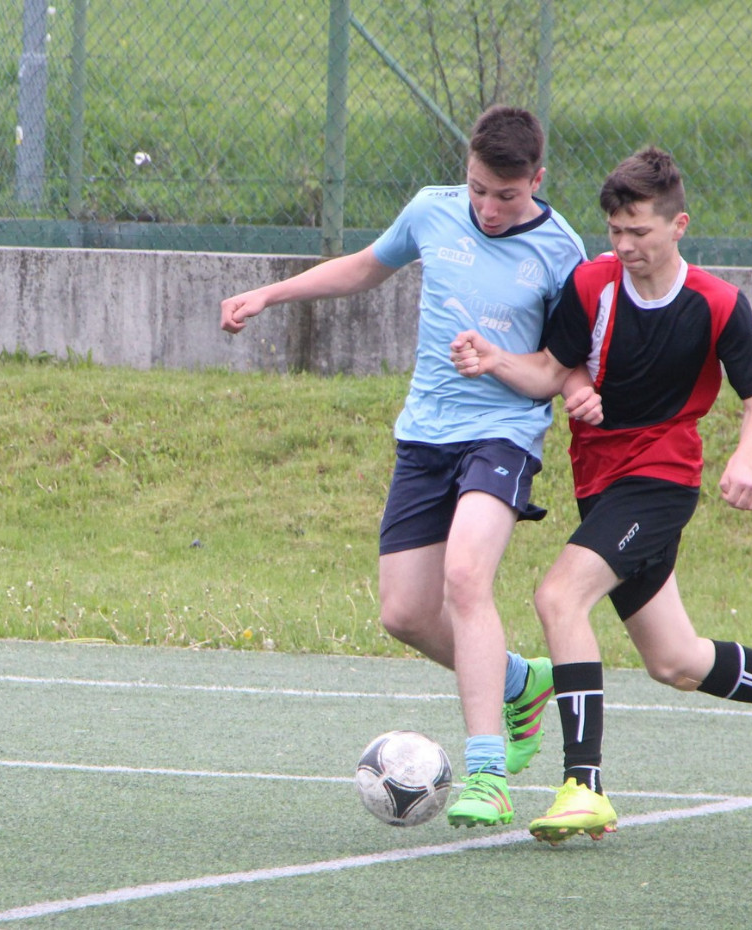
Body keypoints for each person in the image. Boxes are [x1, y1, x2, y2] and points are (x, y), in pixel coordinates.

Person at [450, 146, 752, 844]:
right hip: (600, 481)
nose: (625, 246)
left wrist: (744, 461)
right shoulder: (592, 284)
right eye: (615, 232)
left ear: (678, 225)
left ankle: (584, 785)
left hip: (660, 480)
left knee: (558, 597)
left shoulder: (717, 304)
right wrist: (501, 361)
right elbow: (552, 370)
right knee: (676, 661)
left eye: (639, 232)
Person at [221, 104, 599, 828]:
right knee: (403, 613)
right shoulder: (432, 210)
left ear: (538, 180)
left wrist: (522, 370)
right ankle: (519, 683)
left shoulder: (562, 251)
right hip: (425, 437)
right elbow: (366, 266)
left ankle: (488, 774)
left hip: (504, 435)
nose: (488, 208)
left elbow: (559, 366)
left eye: (506, 195)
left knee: (466, 577)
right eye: (478, 189)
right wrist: (270, 292)